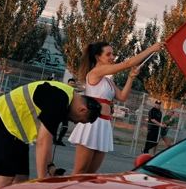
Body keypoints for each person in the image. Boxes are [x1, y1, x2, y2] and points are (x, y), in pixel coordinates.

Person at [0, 80, 101, 189]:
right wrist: (42, 180)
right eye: (80, 120)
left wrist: (50, 166)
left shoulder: (65, 97)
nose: (75, 122)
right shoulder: (59, 99)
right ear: (83, 109)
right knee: (4, 179)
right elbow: (42, 142)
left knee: (21, 181)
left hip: (16, 131)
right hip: (3, 123)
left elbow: (47, 140)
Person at [69, 40, 163, 174]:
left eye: (112, 54)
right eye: (108, 54)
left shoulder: (108, 81)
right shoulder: (96, 72)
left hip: (104, 124)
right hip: (91, 123)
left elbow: (122, 97)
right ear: (98, 57)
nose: (112, 57)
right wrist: (151, 49)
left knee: (91, 173)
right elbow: (127, 64)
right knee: (80, 171)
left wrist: (130, 78)